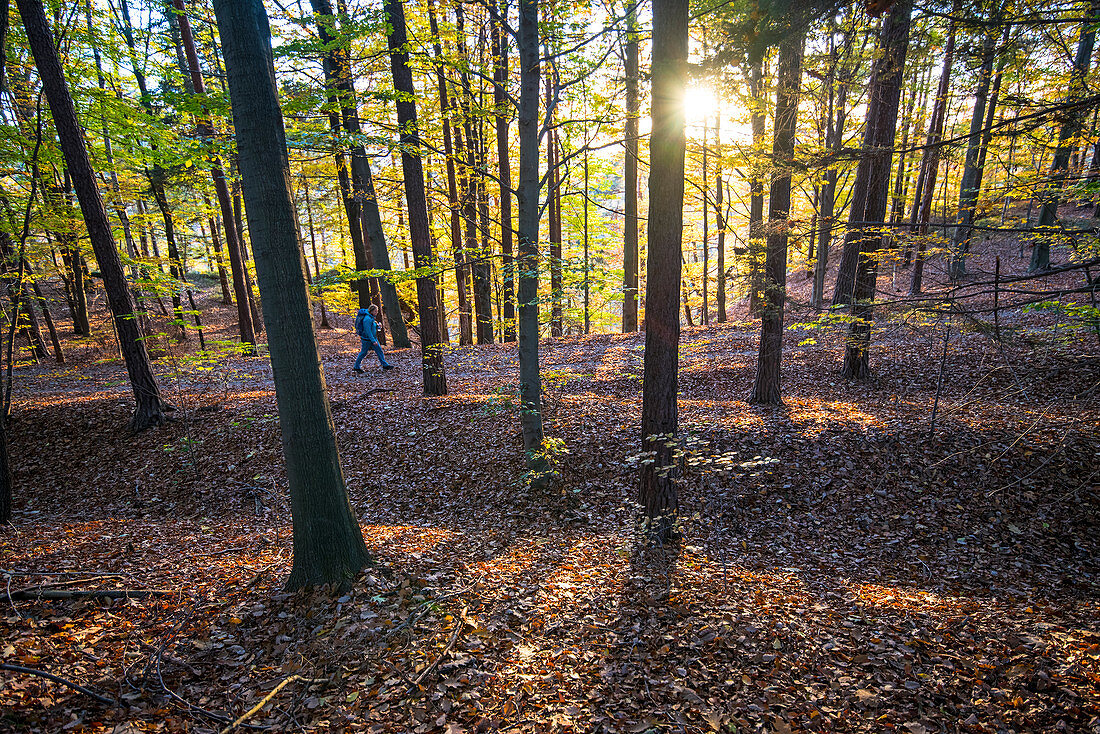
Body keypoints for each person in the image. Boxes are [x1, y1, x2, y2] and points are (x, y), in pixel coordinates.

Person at [353, 305, 395, 373]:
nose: (377, 312)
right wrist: (373, 341)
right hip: (367, 340)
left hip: (373, 338)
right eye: (375, 311)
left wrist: (379, 327)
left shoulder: (371, 317)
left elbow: (373, 328)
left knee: (379, 351)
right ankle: (356, 367)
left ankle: (385, 365)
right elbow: (368, 331)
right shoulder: (367, 319)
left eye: (377, 311)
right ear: (371, 311)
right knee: (363, 353)